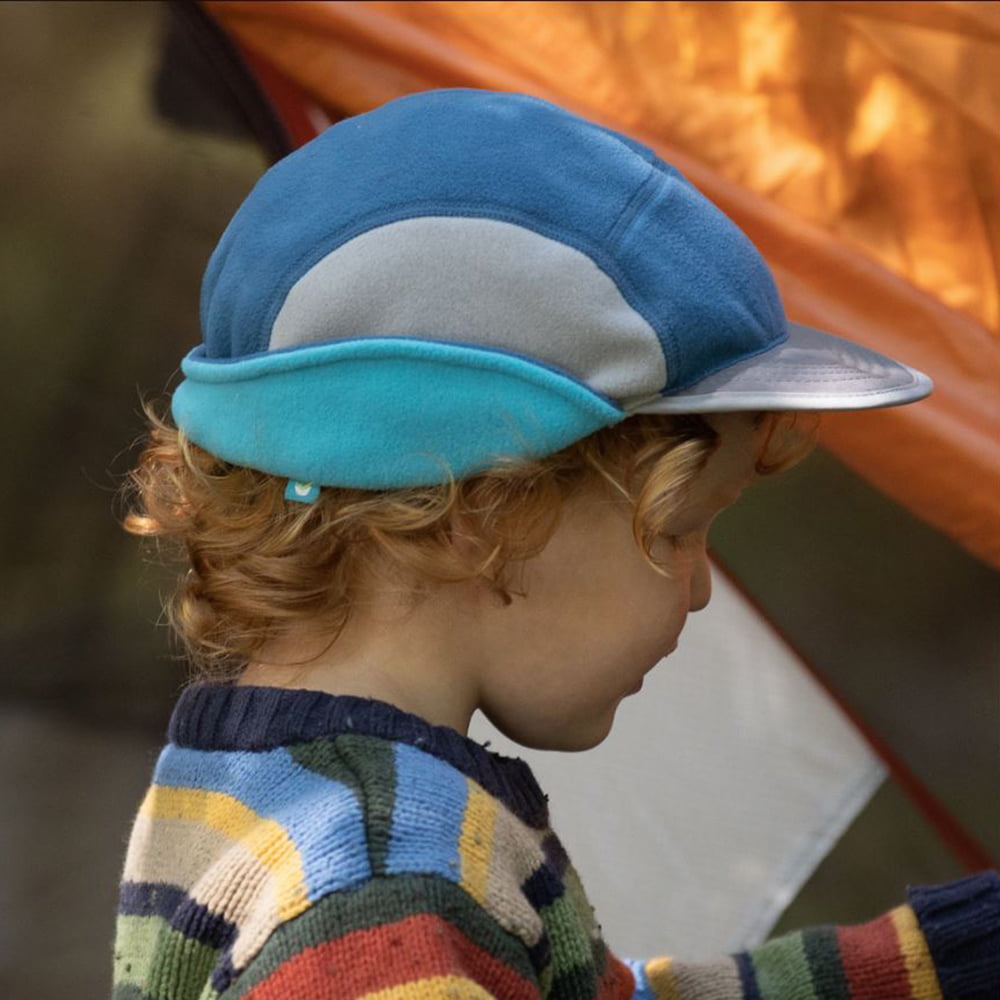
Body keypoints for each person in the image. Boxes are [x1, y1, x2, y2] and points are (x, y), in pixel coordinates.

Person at [111, 89, 998, 1000]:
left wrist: (949, 958)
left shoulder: (260, 788)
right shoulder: (377, 888)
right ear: (482, 508)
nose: (698, 591)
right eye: (681, 530)